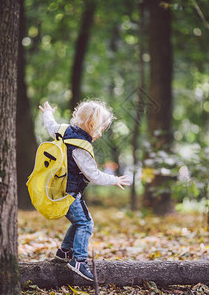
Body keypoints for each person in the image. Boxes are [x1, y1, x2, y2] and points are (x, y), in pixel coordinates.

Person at [38, 100, 130, 281]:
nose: (102, 131)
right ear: (91, 124)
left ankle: (64, 251)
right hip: (70, 193)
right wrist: (114, 179)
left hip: (57, 190)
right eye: (101, 127)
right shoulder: (82, 147)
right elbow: (93, 175)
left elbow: (50, 125)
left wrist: (47, 112)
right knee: (85, 224)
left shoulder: (64, 130)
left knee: (78, 221)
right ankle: (79, 260)